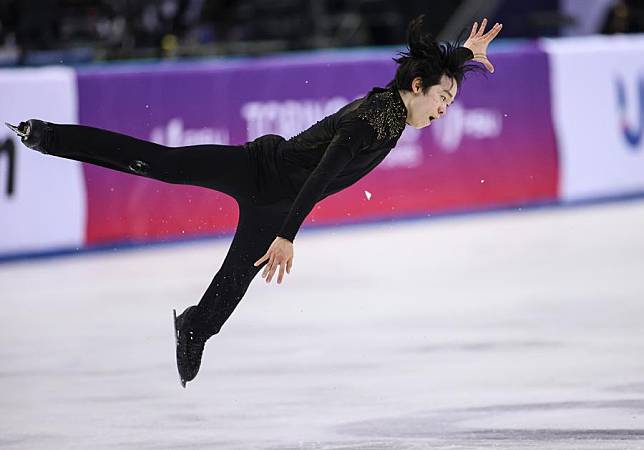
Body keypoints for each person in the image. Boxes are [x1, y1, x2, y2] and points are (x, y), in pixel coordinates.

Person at [7, 16, 502, 387]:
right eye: (443, 98)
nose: (444, 109)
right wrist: (287, 234)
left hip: (276, 204)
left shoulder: (399, 112)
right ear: (417, 88)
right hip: (260, 169)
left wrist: (461, 54)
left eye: (450, 102)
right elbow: (323, 175)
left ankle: (192, 328)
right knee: (164, 163)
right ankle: (48, 136)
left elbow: (430, 76)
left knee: (228, 293)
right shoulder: (372, 120)